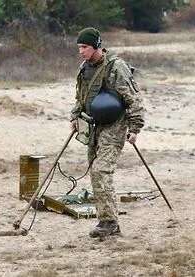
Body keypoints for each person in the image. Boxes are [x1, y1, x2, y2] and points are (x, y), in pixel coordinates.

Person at [70, 27, 145, 238]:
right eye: (79, 47)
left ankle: (110, 222)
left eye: (84, 47)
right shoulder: (84, 68)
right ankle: (106, 221)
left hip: (115, 125)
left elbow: (133, 98)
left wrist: (135, 127)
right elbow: (81, 97)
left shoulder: (116, 67)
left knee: (101, 170)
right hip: (94, 125)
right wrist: (75, 117)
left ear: (96, 46)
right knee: (95, 171)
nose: (81, 51)